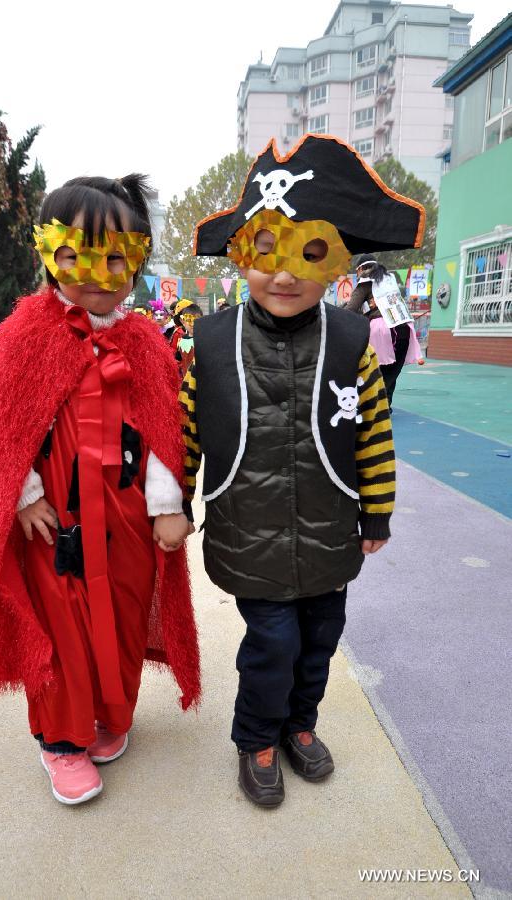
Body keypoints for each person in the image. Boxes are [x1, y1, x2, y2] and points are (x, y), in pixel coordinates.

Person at [181, 134, 424, 807]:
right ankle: (256, 736)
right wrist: (171, 502)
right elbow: (186, 430)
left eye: (308, 253)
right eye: (266, 251)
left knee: (319, 640)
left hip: (326, 533)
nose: (283, 274)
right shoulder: (210, 340)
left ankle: (299, 725)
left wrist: (373, 511)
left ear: (335, 262)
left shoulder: (351, 342)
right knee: (273, 645)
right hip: (247, 531)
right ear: (240, 255)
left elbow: (373, 432)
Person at [0, 175, 200, 806]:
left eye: (113, 255)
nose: (95, 271)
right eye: (75, 253)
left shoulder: (144, 339)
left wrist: (168, 505)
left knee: (119, 613)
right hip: (56, 520)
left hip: (128, 516)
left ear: (135, 258)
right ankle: (61, 740)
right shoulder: (25, 335)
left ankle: (111, 713)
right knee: (61, 623)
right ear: (49, 252)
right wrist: (24, 493)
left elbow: (164, 423)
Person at [346, 254, 422, 410]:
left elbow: (351, 309)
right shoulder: (390, 279)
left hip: (381, 329)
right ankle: (386, 403)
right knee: (393, 368)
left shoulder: (365, 282)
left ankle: (375, 404)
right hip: (404, 327)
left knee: (375, 369)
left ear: (360, 269)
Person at [171, 300, 203, 377]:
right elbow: (178, 359)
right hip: (185, 379)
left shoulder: (204, 339)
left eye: (196, 320)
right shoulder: (181, 340)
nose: (192, 324)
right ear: (182, 321)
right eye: (189, 320)